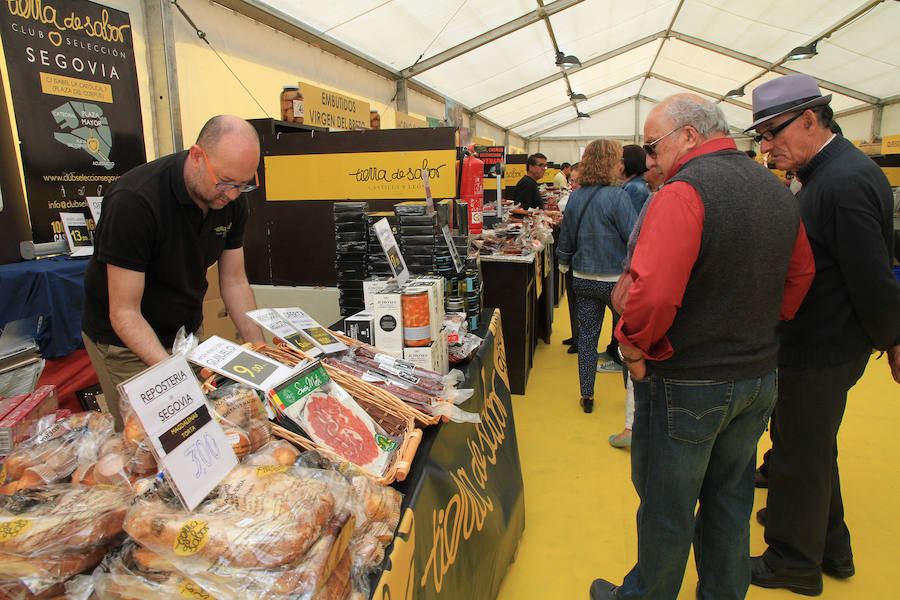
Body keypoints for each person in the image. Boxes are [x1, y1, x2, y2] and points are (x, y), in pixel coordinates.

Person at [590, 94, 815, 600]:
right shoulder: (776, 188)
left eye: (653, 145)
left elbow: (654, 294)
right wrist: (756, 324)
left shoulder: (683, 192)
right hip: (757, 375)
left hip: (689, 380)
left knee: (668, 504)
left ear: (689, 135)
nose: (648, 159)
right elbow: (800, 274)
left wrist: (630, 349)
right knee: (729, 500)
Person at [745, 74, 900, 596]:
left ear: (811, 119)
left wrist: (894, 339)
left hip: (824, 345)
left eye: (773, 133)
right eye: (762, 136)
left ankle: (792, 561)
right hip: (816, 340)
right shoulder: (826, 174)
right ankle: (832, 547)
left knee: (798, 454)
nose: (766, 146)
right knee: (810, 448)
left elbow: (873, 274)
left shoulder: (844, 181)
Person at [82, 115, 266, 431]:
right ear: (196, 156)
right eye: (225, 183)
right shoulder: (135, 202)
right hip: (125, 343)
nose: (233, 195)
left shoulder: (232, 198)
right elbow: (124, 313)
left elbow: (234, 281)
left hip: (186, 333)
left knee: (204, 428)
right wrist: (175, 376)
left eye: (244, 184)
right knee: (151, 441)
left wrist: (262, 356)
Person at [557, 140, 636, 414]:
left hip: (583, 276)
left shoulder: (577, 196)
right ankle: (631, 401)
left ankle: (587, 395)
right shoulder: (619, 196)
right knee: (626, 340)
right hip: (616, 281)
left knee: (587, 339)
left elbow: (566, 237)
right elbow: (634, 239)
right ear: (615, 163)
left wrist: (564, 263)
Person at [596, 145, 653, 375]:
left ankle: (620, 358)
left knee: (623, 310)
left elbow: (631, 229)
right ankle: (613, 350)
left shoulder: (633, 189)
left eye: (620, 160)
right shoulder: (634, 186)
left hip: (626, 259)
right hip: (627, 258)